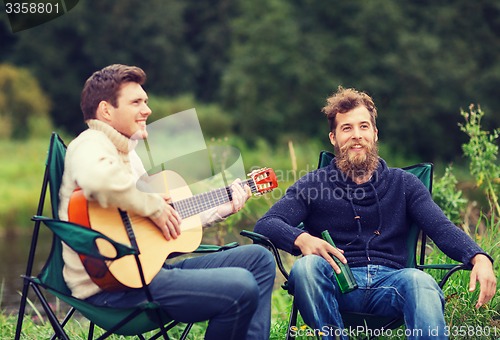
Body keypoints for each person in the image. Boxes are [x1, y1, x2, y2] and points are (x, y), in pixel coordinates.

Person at [254, 86, 496, 339]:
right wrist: (302, 239)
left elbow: (442, 228)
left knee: (421, 282)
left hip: (392, 285)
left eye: (363, 126)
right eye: (346, 128)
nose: (356, 135)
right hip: (336, 283)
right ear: (333, 138)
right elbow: (267, 224)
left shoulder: (404, 184)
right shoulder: (313, 184)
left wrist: (479, 257)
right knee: (306, 268)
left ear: (375, 133)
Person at [58, 64, 276, 340]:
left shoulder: (129, 154)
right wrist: (153, 206)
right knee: (241, 285)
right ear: (106, 110)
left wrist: (218, 210)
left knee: (259, 259)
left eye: (146, 101)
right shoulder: (89, 144)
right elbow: (99, 181)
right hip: (114, 288)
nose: (147, 110)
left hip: (146, 272)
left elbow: (154, 223)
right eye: (136, 102)